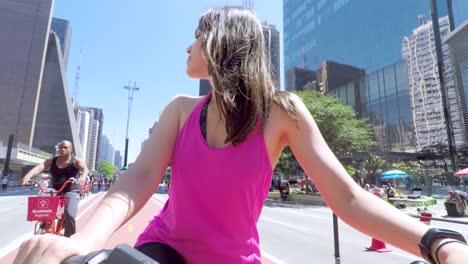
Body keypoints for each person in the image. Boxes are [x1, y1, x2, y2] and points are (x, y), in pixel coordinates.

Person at [13, 6, 468, 264]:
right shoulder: (179, 110)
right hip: (162, 251)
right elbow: (132, 186)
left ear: (218, 44)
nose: (187, 47)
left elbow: (347, 198)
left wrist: (437, 241)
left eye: (195, 37)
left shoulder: (283, 111)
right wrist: (77, 244)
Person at [20, 140, 88, 238]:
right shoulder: (52, 160)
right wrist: (27, 176)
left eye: (65, 147)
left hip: (71, 190)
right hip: (54, 188)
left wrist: (83, 177)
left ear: (71, 149)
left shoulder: (75, 161)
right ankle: (44, 222)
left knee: (69, 215)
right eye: (60, 147)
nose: (62, 149)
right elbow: (40, 167)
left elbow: (85, 168)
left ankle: (69, 238)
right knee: (42, 194)